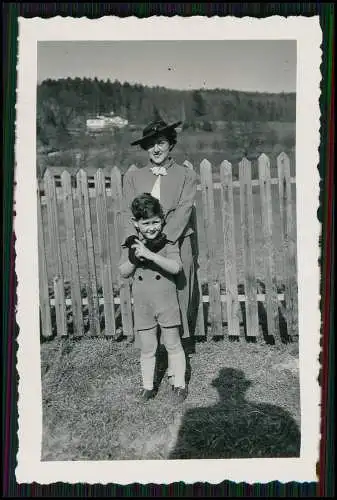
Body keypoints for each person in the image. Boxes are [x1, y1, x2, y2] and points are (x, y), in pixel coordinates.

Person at [122, 119, 199, 349]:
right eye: (151, 144)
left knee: (179, 290)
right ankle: (151, 346)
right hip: (142, 244)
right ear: (145, 148)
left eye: (161, 143)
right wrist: (135, 242)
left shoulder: (186, 175)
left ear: (171, 145)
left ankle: (177, 347)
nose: (156, 149)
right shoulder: (133, 177)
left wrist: (161, 238)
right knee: (149, 291)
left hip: (175, 241)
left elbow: (184, 210)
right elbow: (125, 212)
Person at [119, 193, 188, 403]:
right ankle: (148, 387)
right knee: (148, 348)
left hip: (166, 303)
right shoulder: (132, 245)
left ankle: (180, 384)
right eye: (146, 223)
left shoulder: (167, 243)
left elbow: (176, 267)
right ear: (136, 223)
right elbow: (123, 271)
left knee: (172, 344)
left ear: (162, 220)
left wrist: (151, 255)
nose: (151, 228)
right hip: (143, 305)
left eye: (156, 222)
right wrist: (134, 258)